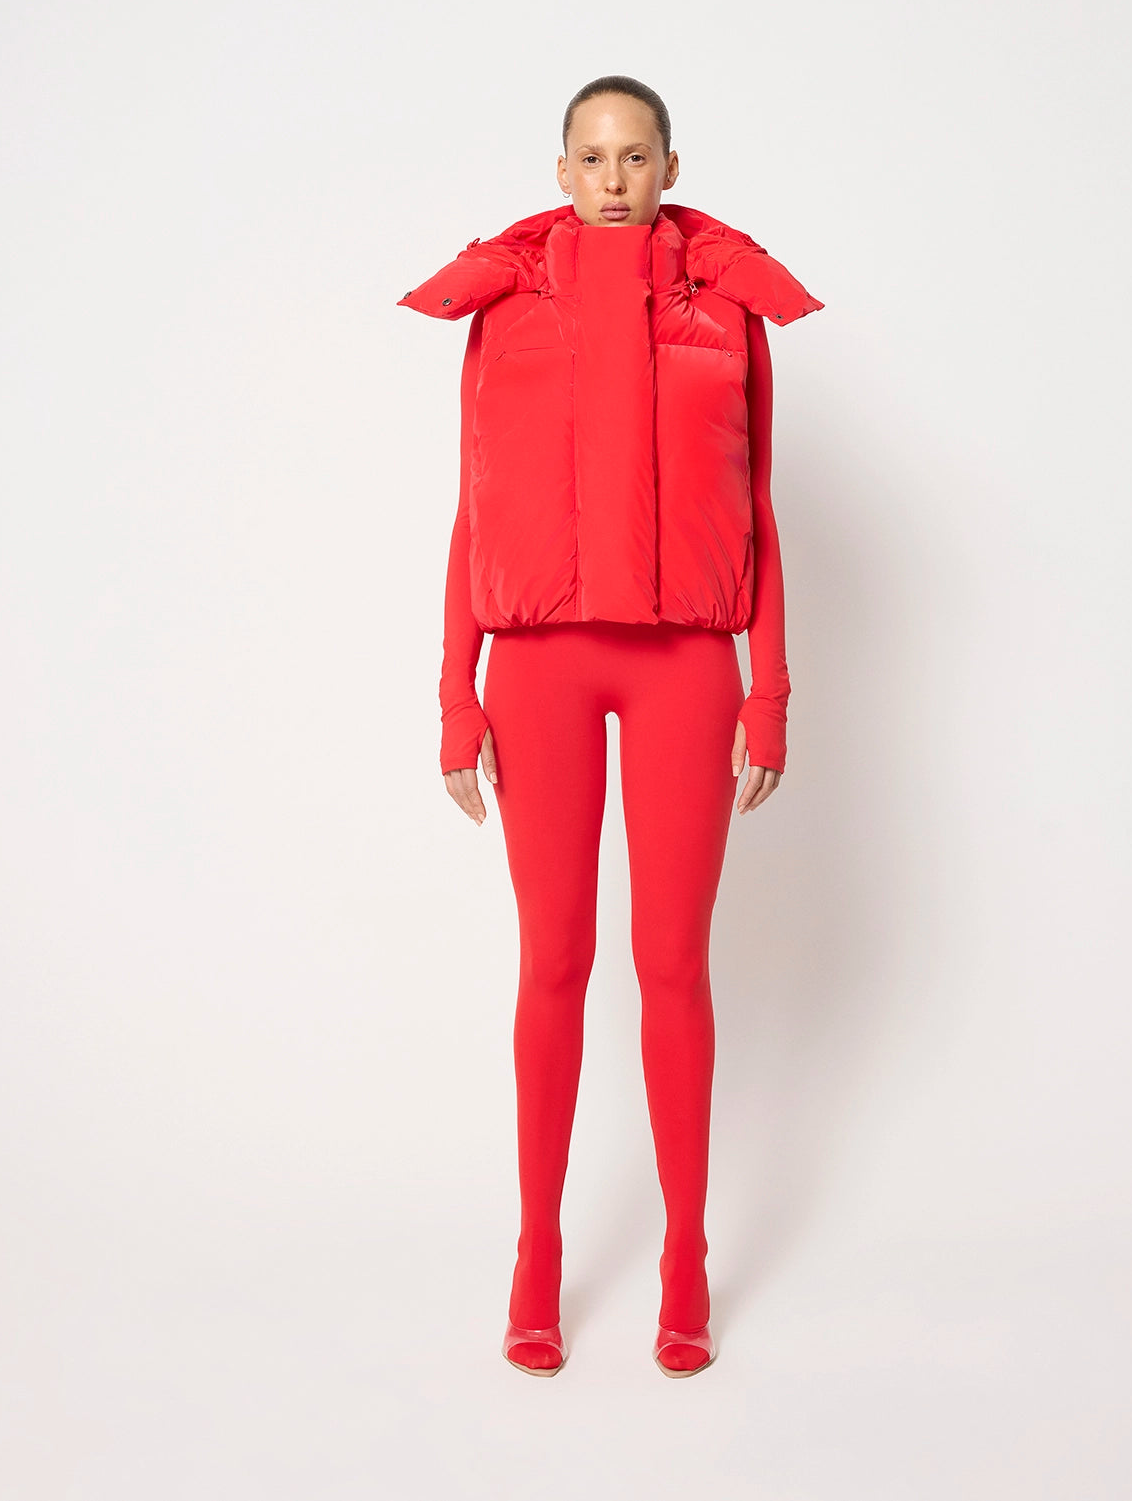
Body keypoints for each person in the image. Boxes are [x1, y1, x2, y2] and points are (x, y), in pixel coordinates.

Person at [396, 74, 823, 1378]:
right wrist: (456, 692)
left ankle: (686, 1254)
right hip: (539, 669)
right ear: (562, 169)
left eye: (636, 157)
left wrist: (768, 687)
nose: (614, 179)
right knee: (554, 963)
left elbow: (758, 503)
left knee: (672, 962)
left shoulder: (725, 308)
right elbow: (475, 506)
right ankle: (537, 1251)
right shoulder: (505, 311)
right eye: (592, 157)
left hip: (687, 664)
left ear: (671, 167)